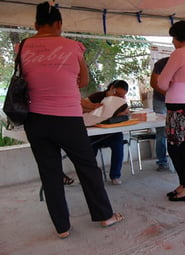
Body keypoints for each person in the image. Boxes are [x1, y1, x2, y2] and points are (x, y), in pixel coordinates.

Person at [21, 2, 123, 239]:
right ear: (59, 24)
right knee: (87, 168)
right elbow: (83, 81)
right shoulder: (73, 46)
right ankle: (105, 216)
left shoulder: (23, 46)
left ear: (35, 25)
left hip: (35, 119)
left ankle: (62, 228)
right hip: (67, 118)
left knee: (50, 173)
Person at [158, 20, 185, 202]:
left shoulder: (178, 53)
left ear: (179, 37)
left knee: (177, 148)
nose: (172, 41)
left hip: (177, 108)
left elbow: (161, 82)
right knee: (184, 148)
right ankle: (184, 185)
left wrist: (170, 84)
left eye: (174, 37)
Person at [86, 80, 129, 185]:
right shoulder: (97, 96)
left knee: (118, 144)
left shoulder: (121, 101)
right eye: (117, 94)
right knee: (89, 149)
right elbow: (82, 105)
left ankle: (115, 175)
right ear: (112, 88)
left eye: (122, 96)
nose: (119, 98)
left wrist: (122, 112)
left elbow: (126, 112)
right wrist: (94, 107)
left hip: (111, 131)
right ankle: (89, 176)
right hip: (95, 131)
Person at [150, 57, 169, 171]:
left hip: (176, 99)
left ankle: (176, 160)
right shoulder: (161, 63)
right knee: (161, 131)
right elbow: (153, 82)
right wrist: (167, 93)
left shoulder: (182, 64)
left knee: (176, 131)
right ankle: (162, 161)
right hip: (160, 100)